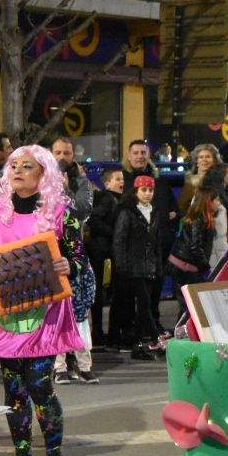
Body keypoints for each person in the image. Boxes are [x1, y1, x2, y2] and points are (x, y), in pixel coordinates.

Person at [0, 145, 90, 456]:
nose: (18, 171)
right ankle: (23, 454)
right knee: (14, 389)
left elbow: (78, 257)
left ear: (43, 174)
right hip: (8, 311)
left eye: (27, 166)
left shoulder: (63, 211)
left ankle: (55, 455)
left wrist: (69, 265)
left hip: (46, 312)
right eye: (13, 166)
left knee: (39, 385)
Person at [124, 138, 176, 319]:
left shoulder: (160, 181)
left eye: (143, 153)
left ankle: (152, 323)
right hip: (133, 249)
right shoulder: (122, 180)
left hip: (158, 246)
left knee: (155, 290)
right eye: (136, 153)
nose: (140, 156)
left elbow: (174, 210)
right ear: (129, 157)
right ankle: (133, 327)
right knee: (131, 293)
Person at [113, 174, 164, 360]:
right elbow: (119, 240)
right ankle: (154, 338)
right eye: (144, 190)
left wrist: (158, 266)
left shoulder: (154, 211)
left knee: (145, 306)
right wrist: (122, 266)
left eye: (150, 190)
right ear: (135, 191)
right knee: (144, 305)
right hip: (133, 267)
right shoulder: (127, 212)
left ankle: (139, 344)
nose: (148, 193)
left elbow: (157, 243)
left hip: (149, 267)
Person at [86, 167, 122, 347]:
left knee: (100, 295)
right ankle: (98, 333)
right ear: (107, 183)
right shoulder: (107, 198)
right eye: (117, 179)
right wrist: (114, 233)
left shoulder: (115, 199)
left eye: (122, 178)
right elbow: (94, 220)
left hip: (103, 253)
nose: (121, 182)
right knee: (98, 295)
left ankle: (100, 333)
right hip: (100, 253)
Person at [52, 138, 94, 220]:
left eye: (66, 153)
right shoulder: (42, 179)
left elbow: (83, 213)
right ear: (51, 154)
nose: (62, 157)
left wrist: (66, 191)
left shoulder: (83, 182)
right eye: (58, 153)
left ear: (73, 155)